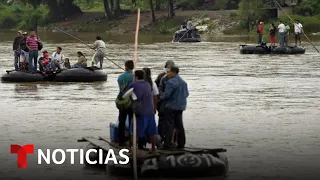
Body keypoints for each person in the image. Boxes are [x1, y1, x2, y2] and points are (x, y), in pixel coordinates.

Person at [124, 70, 158, 153]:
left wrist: (132, 84)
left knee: (135, 131)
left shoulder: (133, 85)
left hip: (140, 112)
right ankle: (153, 148)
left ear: (135, 77)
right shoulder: (148, 84)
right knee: (151, 131)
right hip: (150, 111)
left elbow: (124, 95)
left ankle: (134, 150)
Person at [161, 66, 189, 149]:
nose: (167, 74)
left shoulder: (171, 82)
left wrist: (160, 96)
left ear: (174, 72)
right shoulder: (183, 82)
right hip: (180, 107)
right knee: (179, 126)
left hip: (171, 106)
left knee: (169, 126)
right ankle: (181, 144)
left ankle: (167, 144)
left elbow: (166, 95)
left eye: (168, 72)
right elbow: (186, 94)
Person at [154, 60, 175, 141]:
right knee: (170, 122)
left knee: (162, 121)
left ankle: (162, 138)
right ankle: (170, 140)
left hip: (163, 103)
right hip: (171, 104)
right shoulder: (176, 77)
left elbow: (155, 89)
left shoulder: (161, 76)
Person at [117, 60, 134, 146]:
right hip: (131, 102)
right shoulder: (135, 76)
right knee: (133, 121)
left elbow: (120, 87)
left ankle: (121, 140)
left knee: (121, 121)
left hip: (122, 101)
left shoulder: (120, 77)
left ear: (125, 67)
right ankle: (132, 139)